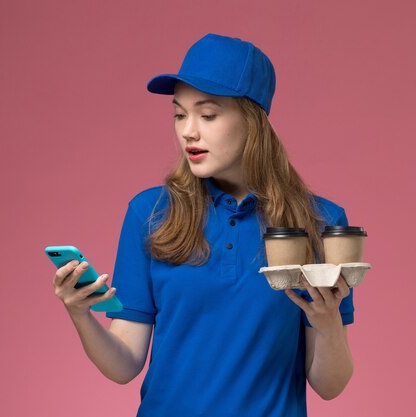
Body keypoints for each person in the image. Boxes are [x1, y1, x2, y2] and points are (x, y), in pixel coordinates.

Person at [52, 33, 355, 417]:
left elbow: (330, 386)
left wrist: (328, 322)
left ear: (252, 121)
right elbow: (124, 364)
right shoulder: (149, 213)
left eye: (207, 115)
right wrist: (80, 313)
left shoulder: (321, 222)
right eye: (179, 114)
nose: (188, 131)